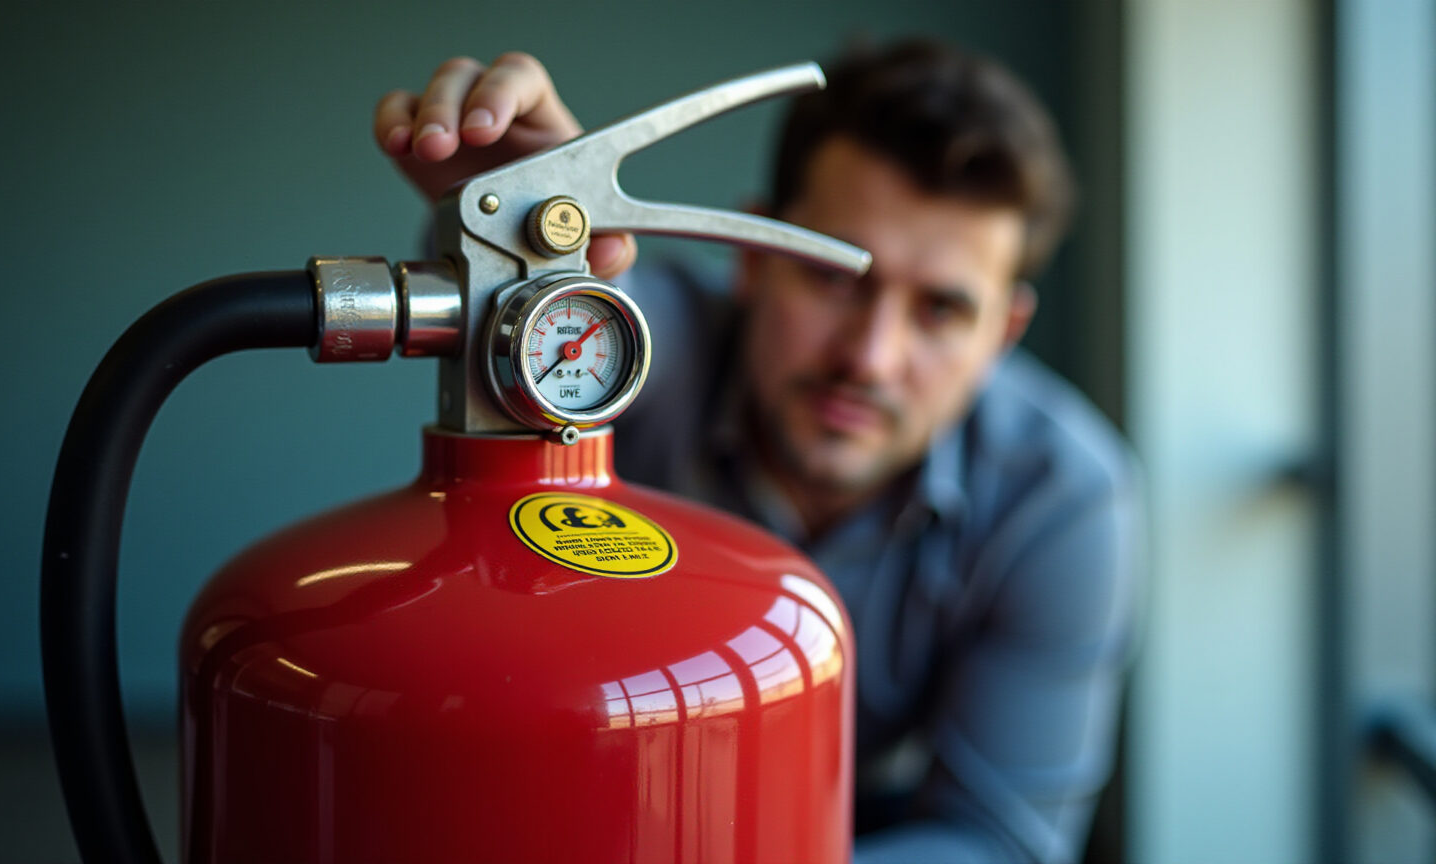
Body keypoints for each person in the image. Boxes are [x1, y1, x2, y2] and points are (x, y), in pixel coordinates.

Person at [375, 40, 1140, 863]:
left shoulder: (1060, 495)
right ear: (751, 255)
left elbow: (996, 841)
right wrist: (511, 236)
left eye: (942, 311)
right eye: (833, 276)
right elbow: (556, 331)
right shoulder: (637, 355)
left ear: (1004, 334)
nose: (871, 357)